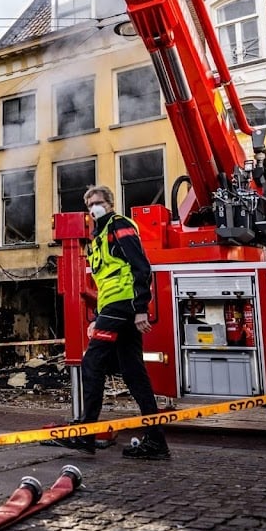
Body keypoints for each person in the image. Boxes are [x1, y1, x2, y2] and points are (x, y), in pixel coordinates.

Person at [59, 184, 170, 459]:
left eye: (97, 202)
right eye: (89, 206)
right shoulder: (97, 239)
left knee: (92, 362)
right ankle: (156, 441)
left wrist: (141, 307)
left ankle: (86, 434)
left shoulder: (119, 225)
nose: (93, 208)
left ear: (109, 204)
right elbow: (105, 283)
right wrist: (98, 317)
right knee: (134, 373)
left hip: (124, 304)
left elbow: (141, 266)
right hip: (114, 308)